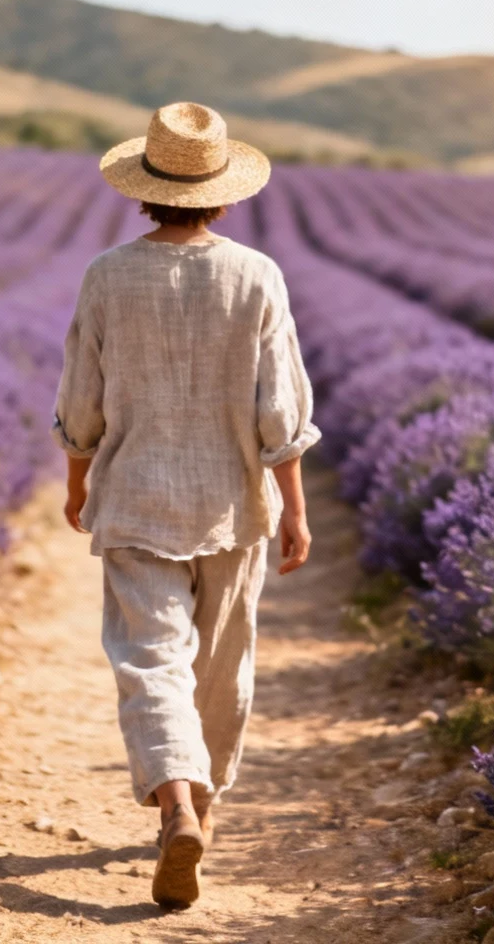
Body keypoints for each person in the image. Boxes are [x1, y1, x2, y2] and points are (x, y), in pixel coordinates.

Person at [51, 101, 321, 908]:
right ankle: (199, 805)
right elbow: (282, 412)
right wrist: (295, 509)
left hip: (135, 499)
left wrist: (77, 483)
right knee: (221, 665)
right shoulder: (256, 276)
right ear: (224, 197)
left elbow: (81, 402)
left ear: (145, 190)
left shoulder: (107, 276)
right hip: (232, 505)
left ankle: (174, 799)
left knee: (151, 660)